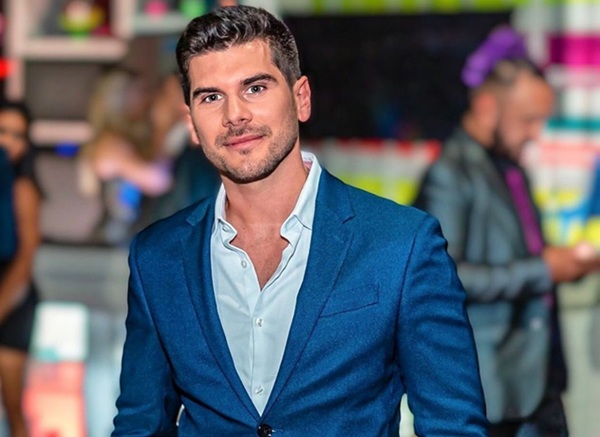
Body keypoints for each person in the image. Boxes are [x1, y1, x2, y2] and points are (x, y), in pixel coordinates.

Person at [112, 6, 488, 436]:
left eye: (255, 88)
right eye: (211, 97)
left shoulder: (401, 244)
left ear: (301, 98)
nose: (234, 114)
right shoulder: (158, 256)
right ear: (192, 123)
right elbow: (139, 425)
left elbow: (453, 426)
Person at [413, 25, 600, 436]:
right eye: (528, 120)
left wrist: (568, 263)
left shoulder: (509, 165)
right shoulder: (451, 173)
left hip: (538, 381)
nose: (536, 134)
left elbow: (522, 252)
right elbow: (443, 277)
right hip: (491, 390)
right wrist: (545, 269)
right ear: (486, 107)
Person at [0, 100, 41, 437]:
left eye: (18, 135)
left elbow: (26, 259)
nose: (10, 142)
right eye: (3, 131)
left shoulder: (22, 187)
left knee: (13, 407)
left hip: (12, 296)